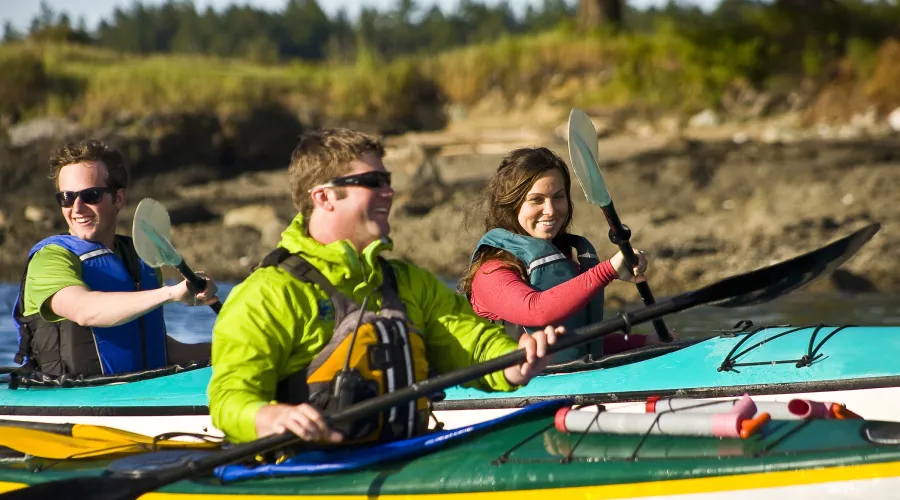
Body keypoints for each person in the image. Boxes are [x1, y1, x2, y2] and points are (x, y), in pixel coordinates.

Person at [208, 128, 562, 445]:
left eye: (387, 179)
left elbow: (471, 343)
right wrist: (268, 417)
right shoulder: (268, 294)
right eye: (372, 181)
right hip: (310, 469)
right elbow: (229, 399)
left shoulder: (407, 281)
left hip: (403, 457)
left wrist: (513, 363)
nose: (389, 191)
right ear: (324, 197)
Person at [11, 139, 218, 378]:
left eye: (91, 195)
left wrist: (237, 351)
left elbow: (157, 349)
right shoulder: (50, 259)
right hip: (77, 395)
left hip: (144, 393)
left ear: (118, 199)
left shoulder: (139, 259)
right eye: (67, 197)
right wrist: (170, 293)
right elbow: (85, 310)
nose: (76, 208)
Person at [459, 147, 666, 364]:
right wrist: (607, 271)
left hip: (568, 381)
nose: (550, 209)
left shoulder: (565, 265)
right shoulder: (491, 272)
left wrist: (644, 342)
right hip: (506, 390)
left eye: (558, 197)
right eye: (536, 200)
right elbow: (536, 310)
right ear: (511, 205)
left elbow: (579, 341)